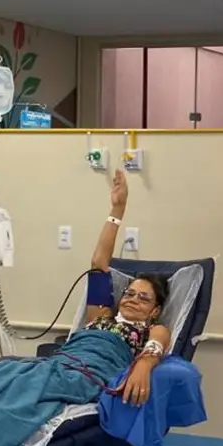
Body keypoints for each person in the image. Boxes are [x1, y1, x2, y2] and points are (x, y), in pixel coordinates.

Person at [82, 169, 172, 407]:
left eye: (143, 298)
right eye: (130, 293)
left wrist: (144, 364)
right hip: (66, 361)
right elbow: (98, 264)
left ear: (155, 310)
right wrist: (117, 209)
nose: (133, 299)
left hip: (92, 375)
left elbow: (156, 347)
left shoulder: (154, 329)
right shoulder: (100, 316)